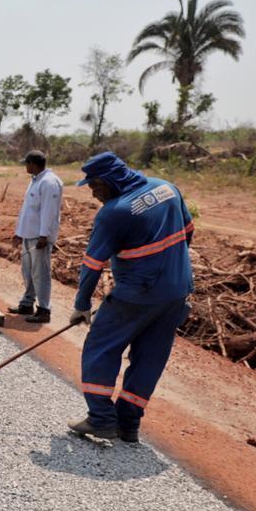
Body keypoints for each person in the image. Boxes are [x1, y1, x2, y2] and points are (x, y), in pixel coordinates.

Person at [67, 151, 194, 443]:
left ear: (109, 180)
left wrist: (82, 305)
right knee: (150, 357)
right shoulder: (167, 189)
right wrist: (169, 265)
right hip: (176, 292)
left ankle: (100, 419)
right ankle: (128, 424)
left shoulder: (115, 212)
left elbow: (92, 265)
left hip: (138, 293)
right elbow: (188, 233)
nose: (93, 194)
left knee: (100, 347)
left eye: (94, 186)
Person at [9, 150, 63, 323]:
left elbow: (49, 211)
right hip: (28, 234)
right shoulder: (35, 180)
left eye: (26, 163)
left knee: (41, 273)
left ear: (33, 163)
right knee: (28, 271)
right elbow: (27, 210)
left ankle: (44, 309)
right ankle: (27, 303)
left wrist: (43, 235)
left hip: (39, 238)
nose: (25, 166)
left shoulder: (49, 182)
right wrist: (18, 232)